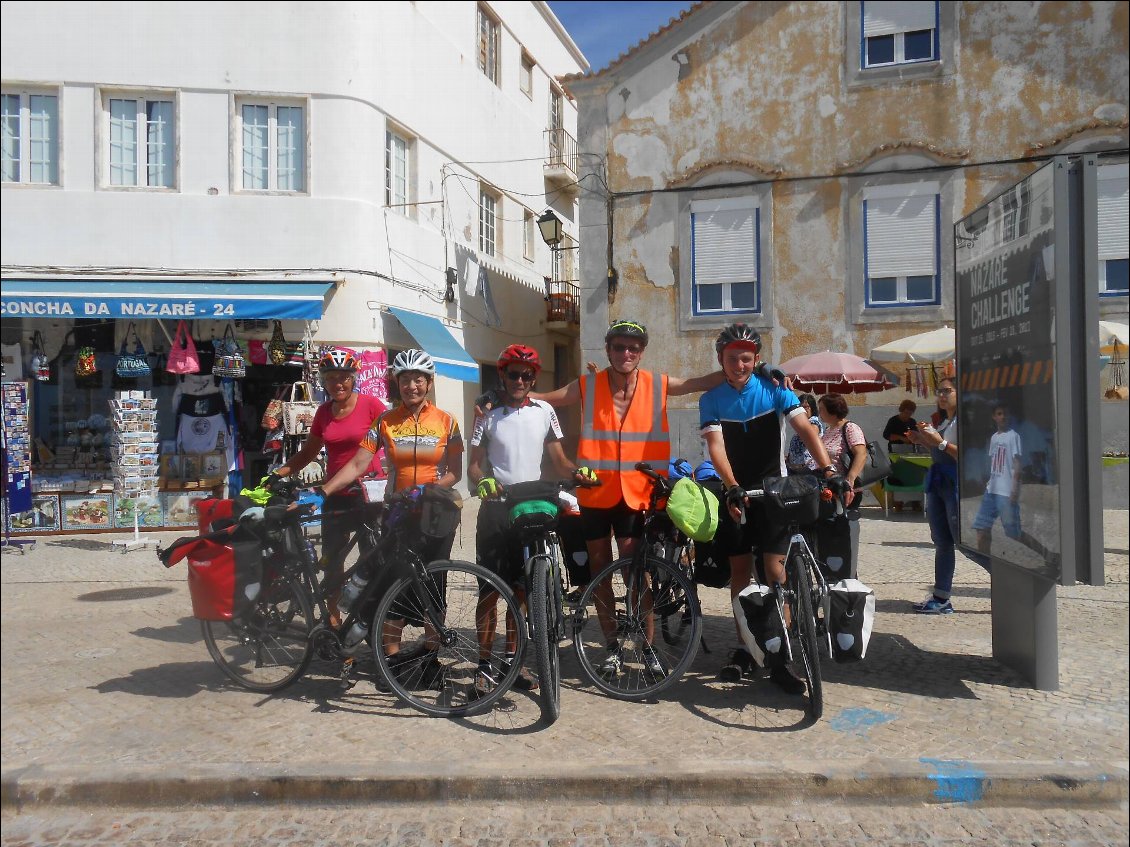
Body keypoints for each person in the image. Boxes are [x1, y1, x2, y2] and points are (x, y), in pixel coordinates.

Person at [530, 319, 729, 679]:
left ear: (641, 352)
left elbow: (702, 382)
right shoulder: (588, 384)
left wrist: (757, 373)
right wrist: (507, 397)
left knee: (637, 574)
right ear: (608, 350)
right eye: (619, 347)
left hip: (637, 494)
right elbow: (546, 398)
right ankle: (611, 648)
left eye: (632, 348)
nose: (625, 353)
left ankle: (649, 647)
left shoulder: (658, 384)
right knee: (600, 572)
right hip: (594, 491)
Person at [699, 324, 842, 692]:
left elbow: (806, 430)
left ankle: (780, 654)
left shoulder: (776, 389)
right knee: (740, 574)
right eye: (732, 358)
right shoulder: (711, 399)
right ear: (721, 360)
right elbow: (717, 447)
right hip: (737, 493)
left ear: (757, 359)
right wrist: (731, 486)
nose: (740, 364)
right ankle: (746, 646)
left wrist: (828, 469)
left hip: (774, 492)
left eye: (747, 358)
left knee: (776, 574)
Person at [319, 348, 463, 666]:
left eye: (418, 379)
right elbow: (359, 463)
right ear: (397, 383)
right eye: (406, 380)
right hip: (398, 516)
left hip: (435, 516)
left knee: (434, 587)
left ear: (429, 382)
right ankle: (392, 659)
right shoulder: (385, 422)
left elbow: (456, 471)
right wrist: (325, 490)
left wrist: (429, 489)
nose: (412, 386)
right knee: (393, 585)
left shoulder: (447, 421)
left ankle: (430, 657)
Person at [467, 344, 594, 696]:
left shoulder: (545, 411)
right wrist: (483, 481)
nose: (520, 380)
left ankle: (512, 662)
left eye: (527, 375)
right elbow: (474, 466)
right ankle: (483, 664)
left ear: (534, 378)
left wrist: (577, 471)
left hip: (532, 505)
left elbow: (559, 459)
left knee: (522, 591)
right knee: (490, 592)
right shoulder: (486, 414)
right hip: (497, 506)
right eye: (513, 373)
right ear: (502, 375)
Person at [270, 348, 386, 626]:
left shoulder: (372, 406)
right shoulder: (323, 412)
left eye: (345, 376)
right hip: (335, 493)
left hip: (369, 495)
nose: (339, 383)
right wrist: (279, 473)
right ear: (323, 381)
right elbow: (308, 452)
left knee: (374, 560)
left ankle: (372, 621)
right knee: (332, 561)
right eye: (332, 377)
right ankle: (332, 621)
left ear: (354, 377)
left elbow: (393, 442)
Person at [906, 377, 990, 614]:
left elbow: (968, 455)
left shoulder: (968, 421)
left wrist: (940, 443)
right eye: (939, 391)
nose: (942, 395)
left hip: (956, 484)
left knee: (965, 542)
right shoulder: (945, 421)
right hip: (939, 483)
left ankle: (1010, 584)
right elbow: (940, 448)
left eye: (947, 391)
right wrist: (922, 440)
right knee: (942, 541)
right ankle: (941, 597)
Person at [812, 393, 867, 580]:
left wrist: (850, 480)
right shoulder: (828, 430)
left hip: (843, 489)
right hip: (827, 489)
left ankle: (846, 577)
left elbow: (861, 453)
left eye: (821, 409)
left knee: (841, 535)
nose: (819, 413)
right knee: (827, 535)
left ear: (832, 411)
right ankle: (832, 574)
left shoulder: (850, 428)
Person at [971, 403, 1023, 556]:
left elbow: (1017, 463)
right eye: (999, 414)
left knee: (1013, 533)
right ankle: (986, 562)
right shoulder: (994, 438)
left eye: (1005, 414)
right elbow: (993, 463)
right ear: (994, 417)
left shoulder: (1014, 436)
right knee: (981, 528)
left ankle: (1046, 553)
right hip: (991, 490)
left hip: (1006, 492)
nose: (1003, 417)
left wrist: (1014, 489)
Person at [882, 398, 922, 512]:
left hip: (910, 451)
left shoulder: (912, 422)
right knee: (898, 476)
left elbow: (916, 436)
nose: (907, 415)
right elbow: (886, 435)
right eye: (906, 413)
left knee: (912, 476)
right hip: (895, 452)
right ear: (901, 410)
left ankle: (915, 502)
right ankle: (898, 502)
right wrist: (900, 438)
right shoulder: (893, 421)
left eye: (910, 413)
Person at [787, 393, 824, 473]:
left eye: (806, 407)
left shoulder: (813, 422)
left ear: (812, 408)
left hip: (808, 470)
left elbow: (811, 436)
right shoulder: (804, 424)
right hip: (796, 469)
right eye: (800, 407)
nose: (803, 410)